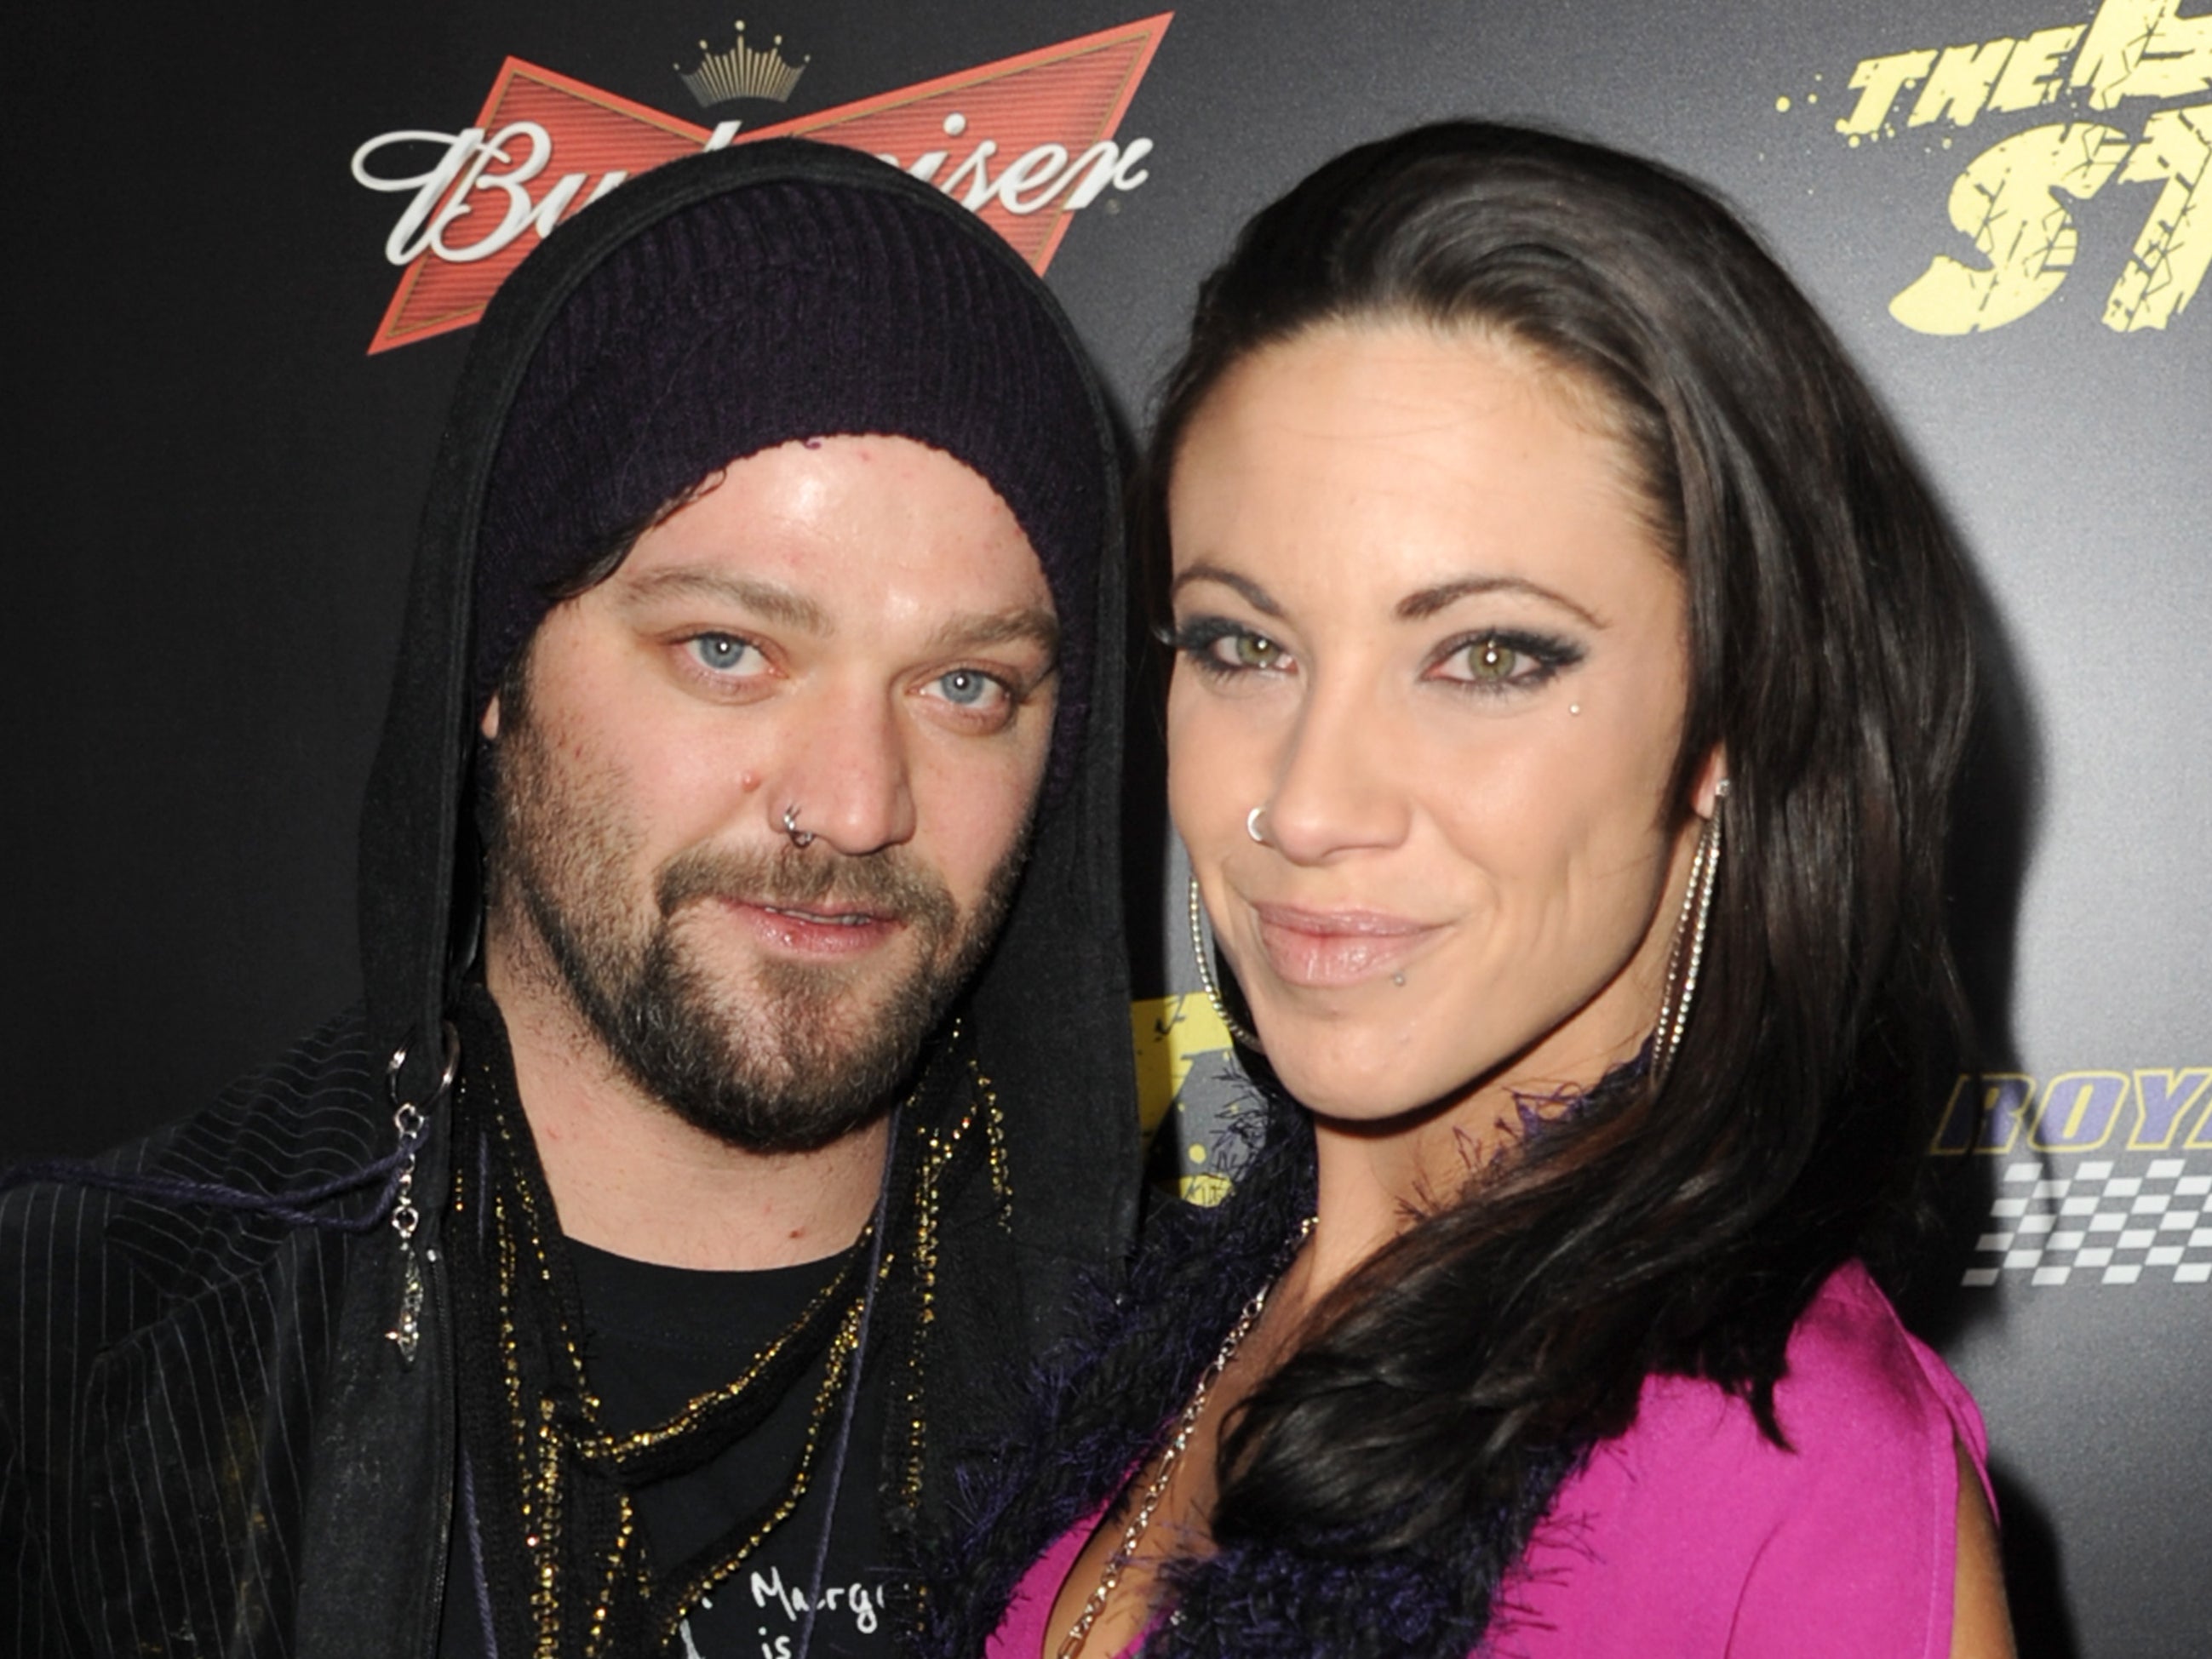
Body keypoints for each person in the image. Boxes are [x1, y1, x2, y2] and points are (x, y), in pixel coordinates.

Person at [0, 140, 1139, 1659]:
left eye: (964, 683)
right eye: (727, 649)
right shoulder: (64, 1350)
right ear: (494, 667)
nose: (857, 801)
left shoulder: (1206, 1393)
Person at [934, 123, 2015, 1659]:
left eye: (1488, 657)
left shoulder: (1786, 1469)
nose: (1305, 804)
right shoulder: (1200, 1304)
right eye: (1243, 646)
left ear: (1733, 718)